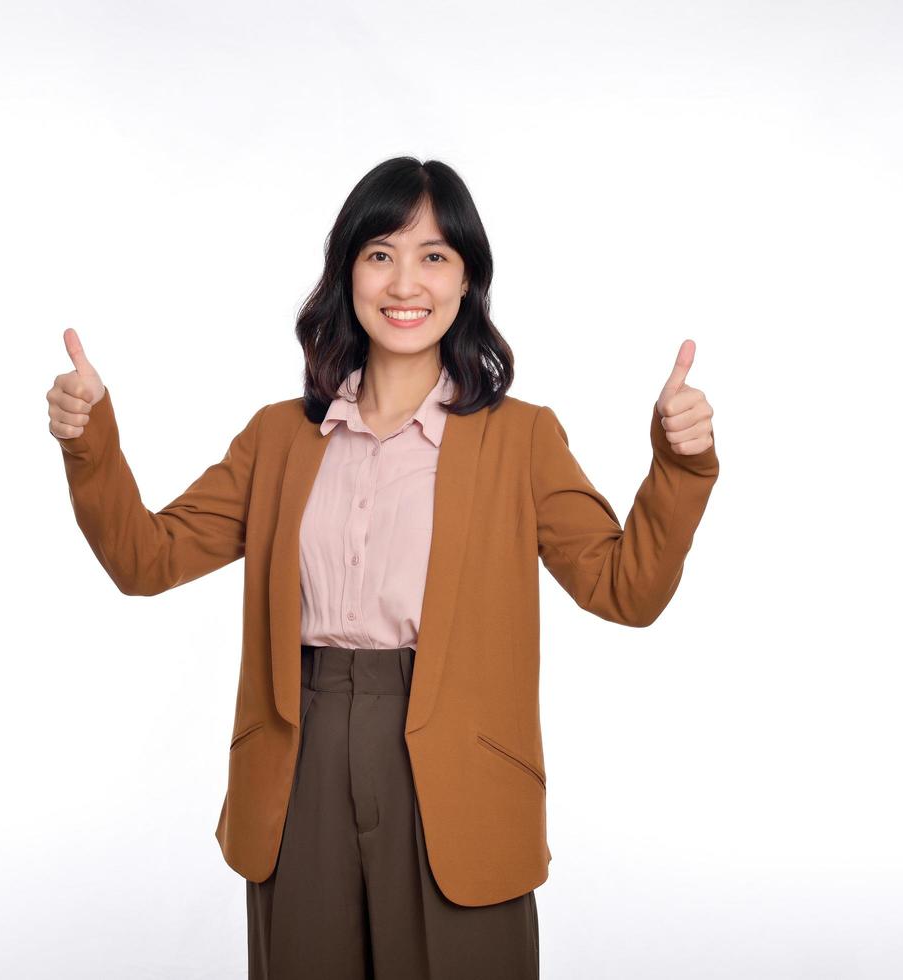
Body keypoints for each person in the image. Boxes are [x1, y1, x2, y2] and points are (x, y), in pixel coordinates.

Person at [47, 156, 719, 979]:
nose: (407, 280)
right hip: (300, 759)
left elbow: (628, 589)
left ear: (468, 279)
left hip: (459, 768)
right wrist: (90, 442)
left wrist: (679, 466)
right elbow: (144, 560)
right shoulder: (278, 438)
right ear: (348, 273)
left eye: (435, 255)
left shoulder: (521, 439)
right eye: (380, 253)